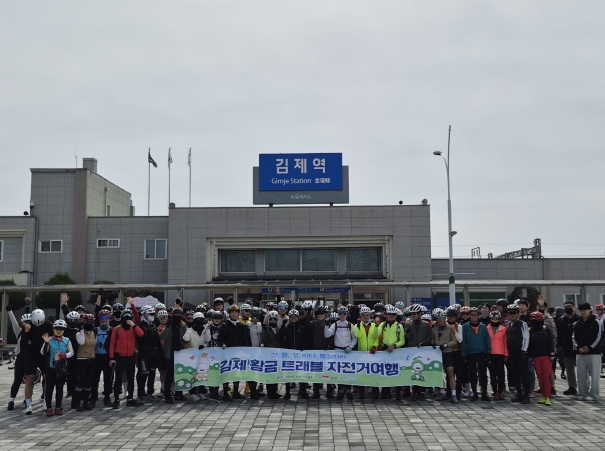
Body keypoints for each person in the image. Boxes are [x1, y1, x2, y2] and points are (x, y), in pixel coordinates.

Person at [108, 309, 144, 408]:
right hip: (119, 356)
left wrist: (133, 325)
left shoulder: (133, 328)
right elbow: (112, 344)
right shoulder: (116, 329)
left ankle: (130, 398)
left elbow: (141, 334)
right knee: (118, 379)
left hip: (131, 356)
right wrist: (111, 358)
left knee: (131, 378)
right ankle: (116, 399)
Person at [21, 308, 53, 415]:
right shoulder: (28, 325)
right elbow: (23, 342)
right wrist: (26, 331)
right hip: (31, 354)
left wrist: (44, 341)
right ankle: (28, 403)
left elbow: (51, 338)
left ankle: (46, 400)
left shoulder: (48, 325)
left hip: (44, 354)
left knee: (47, 377)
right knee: (30, 378)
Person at [40, 319, 74, 416]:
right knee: (49, 388)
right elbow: (42, 352)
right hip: (51, 367)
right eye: (57, 328)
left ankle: (58, 406)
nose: (59, 331)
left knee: (60, 388)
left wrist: (65, 355)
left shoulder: (66, 340)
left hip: (61, 367)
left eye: (61, 329)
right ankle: (49, 407)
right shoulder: (49, 339)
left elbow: (71, 352)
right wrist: (46, 342)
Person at [325, 306, 357, 401]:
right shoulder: (334, 325)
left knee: (348, 371)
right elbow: (327, 334)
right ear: (338, 314)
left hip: (348, 351)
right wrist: (326, 325)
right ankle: (340, 390)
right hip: (337, 351)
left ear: (347, 315)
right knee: (339, 371)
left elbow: (354, 338)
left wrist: (350, 347)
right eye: (340, 314)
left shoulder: (350, 325)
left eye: (344, 314)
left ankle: (348, 390)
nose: (342, 316)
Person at [573, 302, 602, 402]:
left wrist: (590, 347)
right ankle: (582, 393)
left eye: (585, 310)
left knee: (595, 375)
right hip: (580, 353)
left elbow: (599, 337)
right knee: (581, 374)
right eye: (581, 310)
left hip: (594, 353)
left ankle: (594, 395)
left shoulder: (596, 322)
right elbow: (573, 337)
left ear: (589, 310)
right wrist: (578, 347)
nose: (583, 312)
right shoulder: (577, 323)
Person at [302, 305, 333, 399]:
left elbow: (332, 336)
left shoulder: (329, 324)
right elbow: (307, 324)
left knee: (328, 371)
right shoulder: (314, 323)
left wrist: (330, 345)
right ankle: (316, 392)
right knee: (316, 372)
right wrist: (308, 314)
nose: (320, 315)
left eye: (322, 313)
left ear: (325, 314)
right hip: (316, 350)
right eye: (318, 314)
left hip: (326, 350)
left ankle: (329, 392)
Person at [460, 307, 491, 401]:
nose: (474, 317)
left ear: (478, 316)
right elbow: (463, 341)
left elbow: (487, 339)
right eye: (472, 315)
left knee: (483, 374)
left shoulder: (483, 326)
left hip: (482, 352)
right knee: (473, 374)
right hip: (471, 353)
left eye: (476, 315)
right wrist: (463, 354)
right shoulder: (465, 327)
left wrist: (488, 352)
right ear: (469, 316)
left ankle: (484, 393)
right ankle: (474, 393)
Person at [6, 299, 31, 411]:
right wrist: (9, 311)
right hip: (21, 358)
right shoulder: (19, 331)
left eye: (28, 322)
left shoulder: (34, 333)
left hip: (30, 359)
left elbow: (29, 317)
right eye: (24, 322)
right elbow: (14, 322)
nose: (26, 323)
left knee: (29, 380)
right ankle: (11, 400)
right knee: (17, 380)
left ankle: (27, 399)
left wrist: (28, 307)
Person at [279, 309, 310, 400]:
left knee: (301, 373)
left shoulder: (302, 328)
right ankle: (287, 392)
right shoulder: (286, 328)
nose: (293, 318)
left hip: (300, 354)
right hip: (289, 354)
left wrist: (303, 348)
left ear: (298, 317)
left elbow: (306, 340)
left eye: (295, 317)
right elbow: (280, 337)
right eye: (291, 317)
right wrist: (282, 326)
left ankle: (303, 391)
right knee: (288, 373)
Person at [160, 307, 188, 403]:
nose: (177, 317)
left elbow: (186, 338)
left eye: (179, 316)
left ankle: (179, 393)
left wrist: (182, 345)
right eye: (175, 316)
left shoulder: (183, 326)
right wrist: (167, 327)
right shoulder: (169, 326)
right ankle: (167, 394)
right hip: (170, 352)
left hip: (180, 352)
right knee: (169, 374)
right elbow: (162, 337)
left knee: (180, 374)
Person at [404, 304, 432, 401]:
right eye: (411, 314)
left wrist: (425, 343)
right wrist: (407, 330)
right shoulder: (408, 324)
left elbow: (429, 336)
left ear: (420, 314)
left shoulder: (426, 324)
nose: (413, 315)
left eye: (414, 314)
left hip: (423, 350)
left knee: (423, 371)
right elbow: (407, 337)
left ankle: (422, 391)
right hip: (412, 351)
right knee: (414, 370)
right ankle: (415, 391)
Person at [222, 304, 250, 400]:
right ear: (229, 314)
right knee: (226, 372)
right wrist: (223, 343)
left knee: (236, 372)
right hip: (227, 353)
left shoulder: (241, 326)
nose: (234, 314)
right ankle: (225, 392)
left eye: (236, 312)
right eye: (232, 312)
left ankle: (236, 391)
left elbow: (244, 339)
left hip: (238, 353)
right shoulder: (225, 325)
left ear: (238, 313)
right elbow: (221, 337)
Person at [377, 306, 405, 400]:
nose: (391, 316)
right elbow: (376, 335)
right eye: (390, 314)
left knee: (396, 372)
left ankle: (397, 392)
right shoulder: (382, 325)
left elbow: (402, 340)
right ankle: (386, 390)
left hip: (395, 351)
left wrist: (394, 345)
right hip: (384, 350)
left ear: (396, 315)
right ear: (386, 315)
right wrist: (376, 325)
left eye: (393, 314)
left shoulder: (399, 326)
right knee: (385, 371)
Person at [432, 308, 460, 404]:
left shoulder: (450, 327)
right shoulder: (434, 328)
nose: (440, 319)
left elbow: (454, 341)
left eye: (442, 317)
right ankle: (442, 392)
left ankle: (453, 394)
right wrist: (432, 343)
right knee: (439, 373)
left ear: (445, 318)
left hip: (447, 352)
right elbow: (433, 338)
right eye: (438, 318)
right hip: (438, 353)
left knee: (450, 373)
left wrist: (446, 345)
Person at [528, 311, 555, 406]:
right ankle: (543, 396)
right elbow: (529, 345)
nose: (538, 322)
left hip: (546, 356)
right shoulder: (530, 331)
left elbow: (551, 342)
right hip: (536, 357)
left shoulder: (546, 329)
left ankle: (548, 396)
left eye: (540, 320)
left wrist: (552, 354)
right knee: (540, 377)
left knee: (546, 377)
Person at [136, 306, 162, 403]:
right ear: (145, 315)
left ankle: (150, 392)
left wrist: (159, 353)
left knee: (152, 373)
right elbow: (141, 338)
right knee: (143, 374)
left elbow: (157, 340)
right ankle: (141, 393)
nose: (153, 316)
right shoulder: (140, 326)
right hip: (144, 354)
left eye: (153, 314)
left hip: (154, 354)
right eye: (151, 314)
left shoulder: (154, 325)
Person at [506, 304, 530, 403]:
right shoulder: (508, 324)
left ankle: (526, 395)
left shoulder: (522, 324)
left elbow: (526, 337)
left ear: (518, 313)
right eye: (510, 313)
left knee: (524, 374)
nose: (512, 315)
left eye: (514, 312)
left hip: (521, 352)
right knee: (515, 374)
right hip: (511, 353)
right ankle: (519, 393)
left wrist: (524, 350)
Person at [354, 306, 379, 399]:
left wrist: (375, 346)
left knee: (374, 372)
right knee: (362, 373)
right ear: (361, 316)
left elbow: (376, 336)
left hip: (372, 352)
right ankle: (362, 391)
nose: (365, 317)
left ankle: (375, 391)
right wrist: (358, 326)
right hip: (362, 352)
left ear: (370, 315)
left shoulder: (373, 325)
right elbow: (358, 335)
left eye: (367, 315)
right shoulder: (357, 325)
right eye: (363, 315)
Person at [183, 312, 207, 401]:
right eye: (197, 320)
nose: (199, 322)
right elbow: (186, 338)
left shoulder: (205, 330)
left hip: (203, 355)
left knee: (202, 373)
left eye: (201, 320)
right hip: (192, 356)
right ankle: (192, 392)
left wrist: (204, 346)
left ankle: (201, 391)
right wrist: (188, 329)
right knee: (192, 374)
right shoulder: (190, 330)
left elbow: (208, 340)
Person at [557, 300, 580, 395]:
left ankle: (584, 387)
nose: (568, 308)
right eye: (566, 307)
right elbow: (558, 334)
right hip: (566, 348)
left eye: (570, 306)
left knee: (582, 369)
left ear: (574, 307)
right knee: (569, 369)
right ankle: (572, 387)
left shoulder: (579, 319)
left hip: (578, 348)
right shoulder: (561, 319)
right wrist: (558, 346)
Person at [74, 313, 96, 411]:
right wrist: (82, 329)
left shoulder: (93, 333)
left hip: (91, 359)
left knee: (89, 382)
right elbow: (82, 342)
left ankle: (86, 402)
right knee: (81, 382)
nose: (89, 323)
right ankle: (78, 402)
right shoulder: (79, 333)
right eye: (87, 322)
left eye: (91, 322)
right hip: (81, 360)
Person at [92, 309, 113, 407]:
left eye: (106, 318)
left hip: (108, 357)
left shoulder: (112, 330)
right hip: (97, 357)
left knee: (108, 379)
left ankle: (107, 398)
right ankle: (93, 397)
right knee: (95, 378)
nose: (104, 320)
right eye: (102, 318)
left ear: (109, 318)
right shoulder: (95, 330)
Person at [204, 311, 227, 400]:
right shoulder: (209, 327)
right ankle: (212, 393)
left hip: (221, 352)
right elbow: (207, 339)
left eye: (219, 318)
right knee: (212, 372)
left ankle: (216, 392)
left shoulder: (224, 327)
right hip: (211, 352)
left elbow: (226, 337)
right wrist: (207, 328)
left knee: (218, 372)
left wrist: (224, 343)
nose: (217, 320)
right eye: (215, 318)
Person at [487, 310, 507, 401]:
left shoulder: (503, 329)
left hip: (500, 353)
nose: (495, 320)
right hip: (491, 353)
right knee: (492, 374)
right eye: (493, 319)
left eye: (496, 319)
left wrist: (506, 354)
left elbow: (505, 342)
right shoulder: (487, 328)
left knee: (501, 373)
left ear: (500, 319)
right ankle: (495, 391)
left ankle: (500, 391)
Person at [262, 311, 282, 399]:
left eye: (274, 319)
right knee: (269, 373)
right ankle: (270, 392)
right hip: (269, 354)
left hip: (277, 353)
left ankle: (275, 391)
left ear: (277, 320)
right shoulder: (266, 329)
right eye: (271, 319)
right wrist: (265, 331)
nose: (273, 321)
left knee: (276, 373)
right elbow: (263, 340)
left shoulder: (279, 329)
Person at [246, 307, 264, 400]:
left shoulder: (261, 325)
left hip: (259, 351)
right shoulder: (247, 325)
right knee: (251, 372)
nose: (255, 319)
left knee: (257, 371)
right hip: (250, 351)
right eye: (254, 317)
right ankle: (252, 392)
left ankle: (255, 390)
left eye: (257, 317)